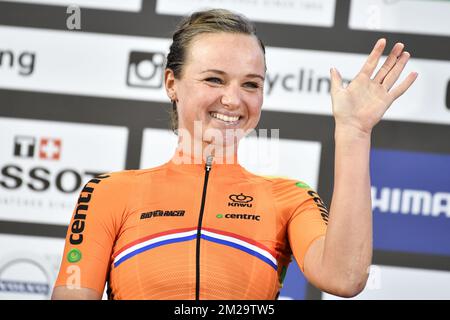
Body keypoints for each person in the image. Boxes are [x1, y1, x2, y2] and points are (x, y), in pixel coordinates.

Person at [52, 9, 417, 300]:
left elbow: (345, 278)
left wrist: (354, 133)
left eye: (250, 84)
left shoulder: (290, 198)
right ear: (171, 83)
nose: (233, 99)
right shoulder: (107, 193)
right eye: (214, 79)